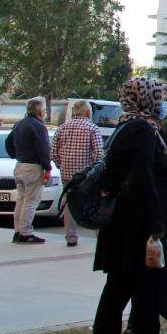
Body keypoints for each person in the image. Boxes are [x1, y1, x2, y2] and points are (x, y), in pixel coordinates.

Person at [89, 77, 167, 334]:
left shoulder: (126, 126)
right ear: (147, 99)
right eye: (164, 96)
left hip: (124, 223)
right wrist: (156, 224)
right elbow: (143, 178)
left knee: (118, 286)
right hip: (140, 223)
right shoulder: (143, 130)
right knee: (146, 288)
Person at [51, 99, 105, 247]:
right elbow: (98, 154)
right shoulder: (92, 128)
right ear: (88, 112)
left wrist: (61, 164)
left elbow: (54, 153)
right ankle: (99, 236)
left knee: (70, 203)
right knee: (94, 203)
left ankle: (71, 237)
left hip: (67, 174)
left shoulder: (62, 127)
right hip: (86, 175)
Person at [6, 96, 51, 244]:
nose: (45, 111)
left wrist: (16, 155)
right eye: (44, 109)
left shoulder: (19, 124)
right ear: (40, 111)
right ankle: (26, 232)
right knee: (31, 201)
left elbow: (8, 143)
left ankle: (18, 230)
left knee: (21, 200)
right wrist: (47, 167)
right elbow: (43, 148)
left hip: (20, 165)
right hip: (33, 166)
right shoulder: (39, 126)